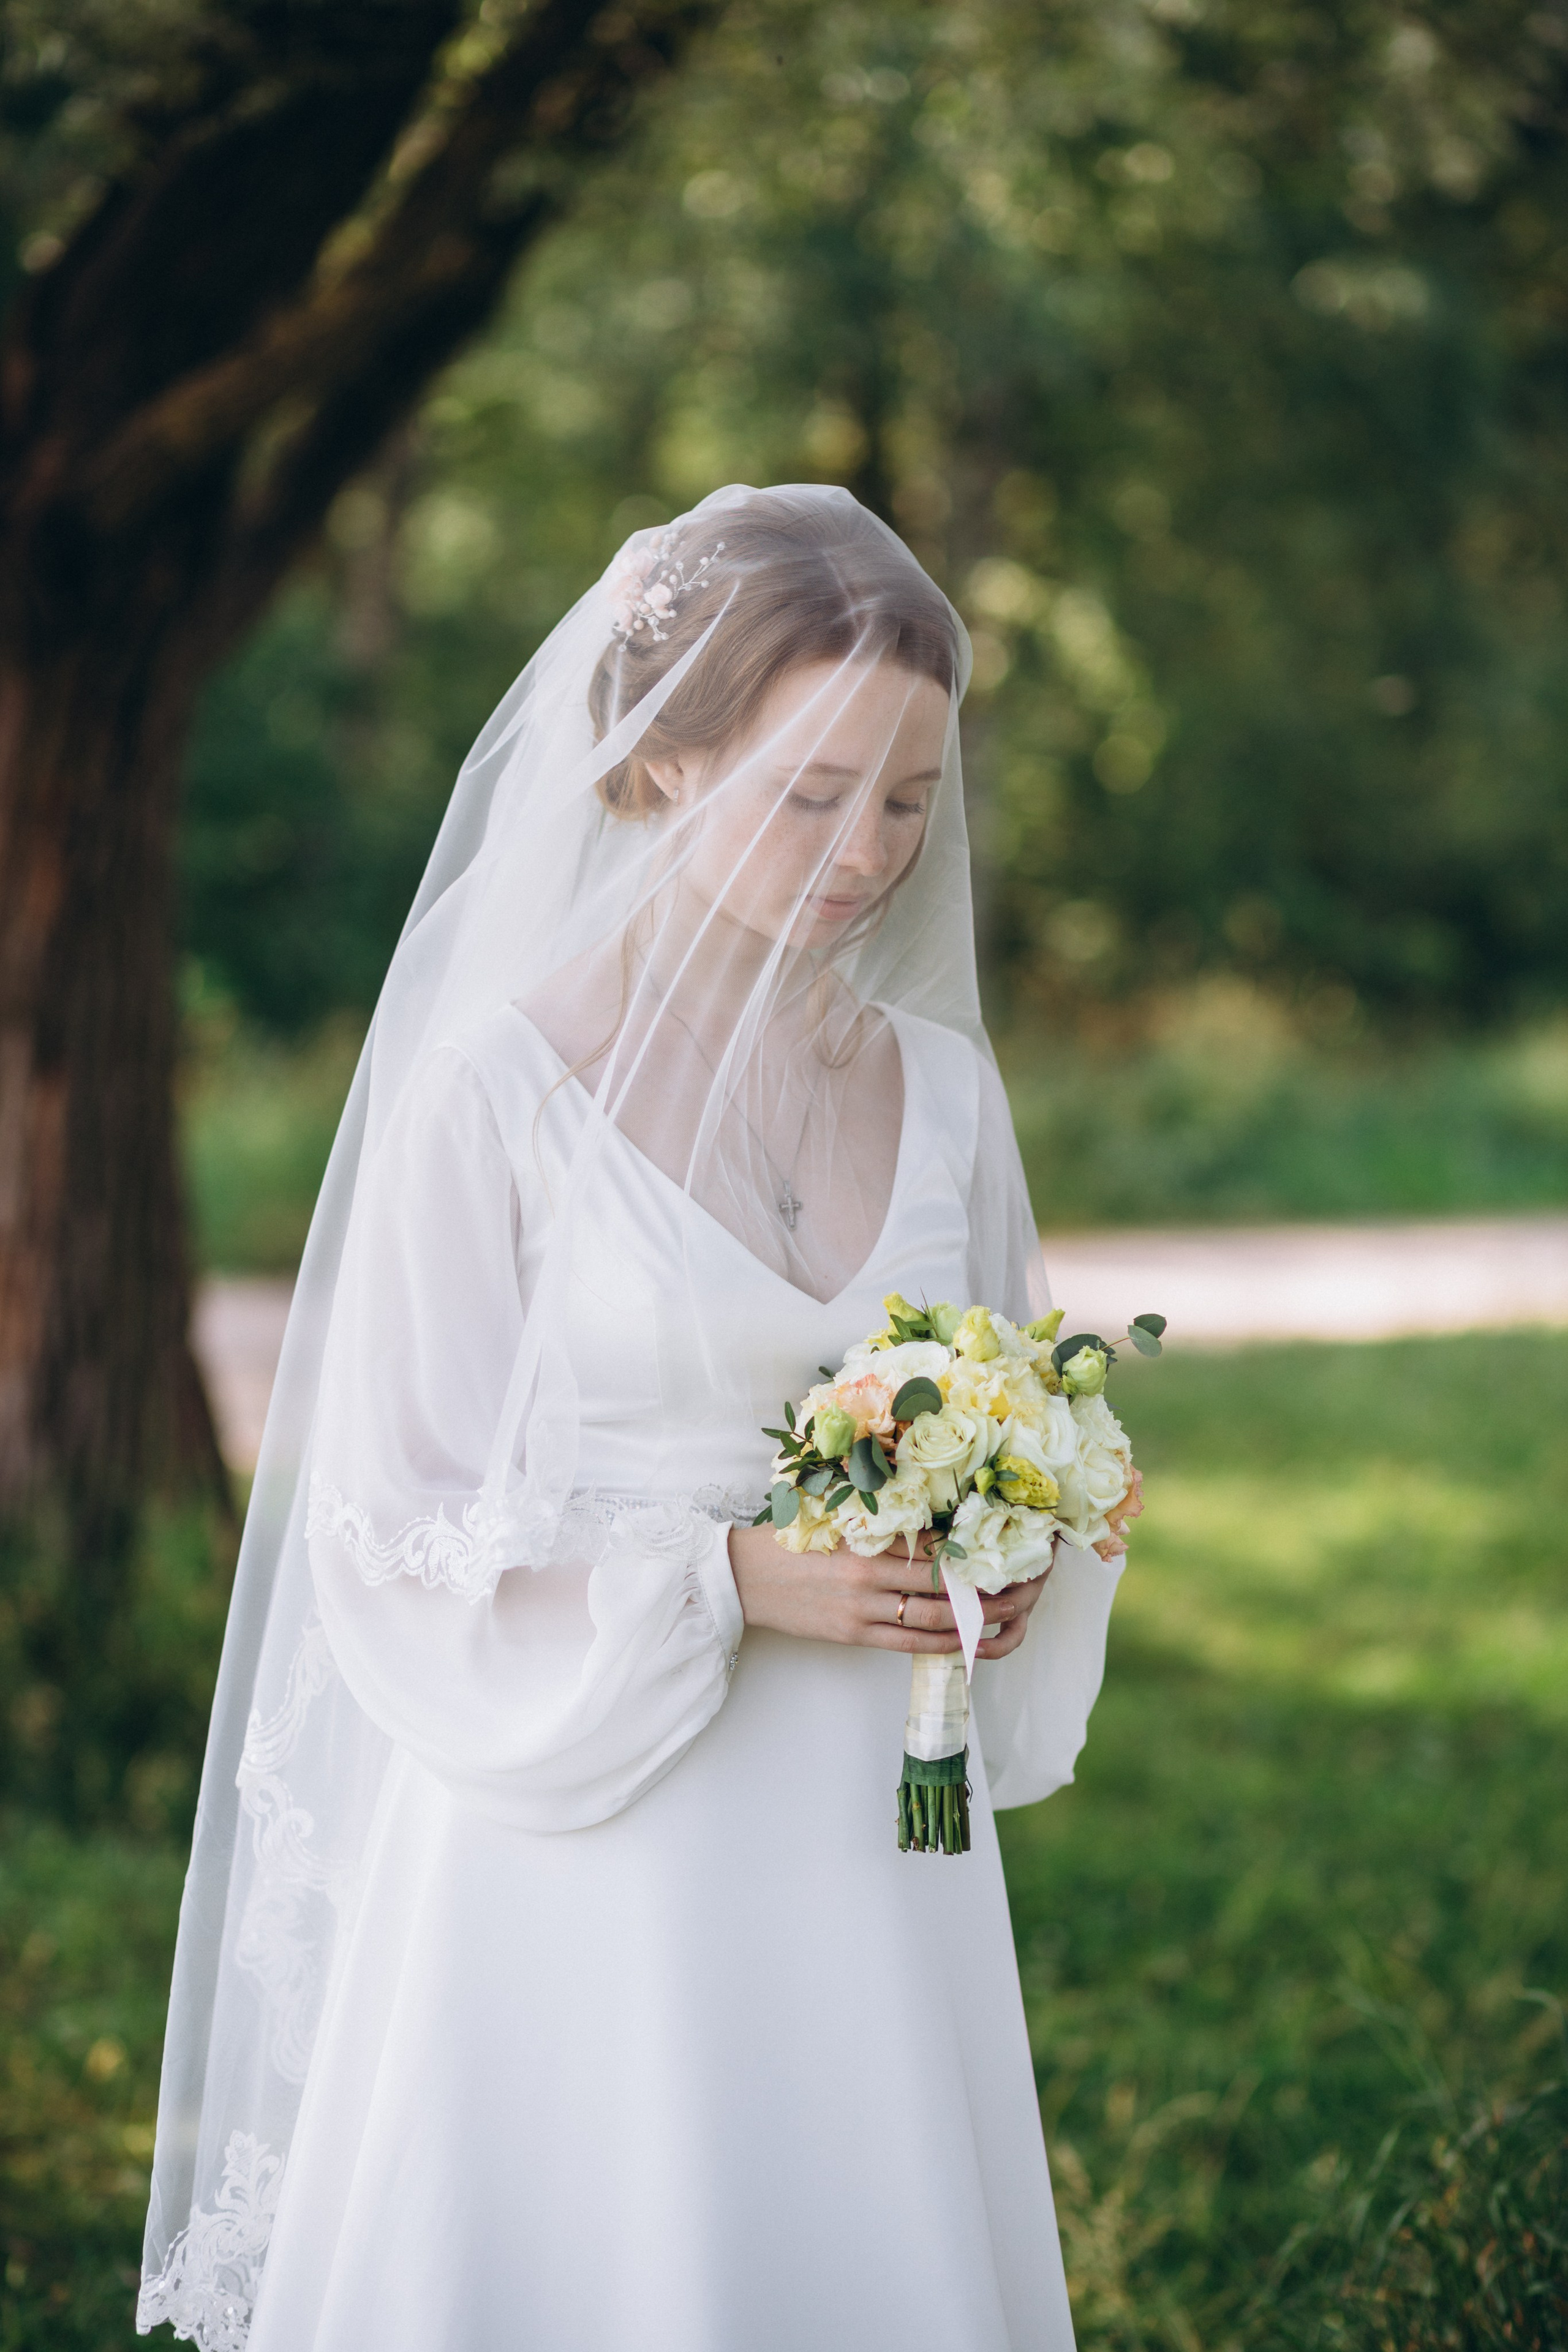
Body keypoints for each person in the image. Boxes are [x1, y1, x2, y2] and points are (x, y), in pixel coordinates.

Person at [138, 485, 1132, 2352]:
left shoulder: (942, 1091)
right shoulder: (496, 1086)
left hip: (866, 1836)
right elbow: (392, 1520)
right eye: (812, 791)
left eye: (911, 799)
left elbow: (1022, 1388)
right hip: (590, 1812)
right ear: (663, 761)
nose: (868, 854)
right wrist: (730, 1582)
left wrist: (1016, 1544)